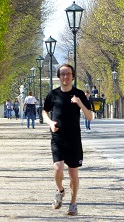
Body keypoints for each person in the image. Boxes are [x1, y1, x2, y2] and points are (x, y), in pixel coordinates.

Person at [42, 64, 93, 216]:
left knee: (73, 174)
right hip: (58, 137)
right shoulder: (53, 94)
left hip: (74, 139)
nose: (65, 77)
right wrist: (50, 123)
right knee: (57, 169)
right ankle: (60, 191)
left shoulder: (79, 94)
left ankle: (73, 203)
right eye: (62, 74)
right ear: (59, 76)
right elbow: (45, 111)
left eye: (68, 74)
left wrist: (79, 103)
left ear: (73, 76)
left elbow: (90, 116)